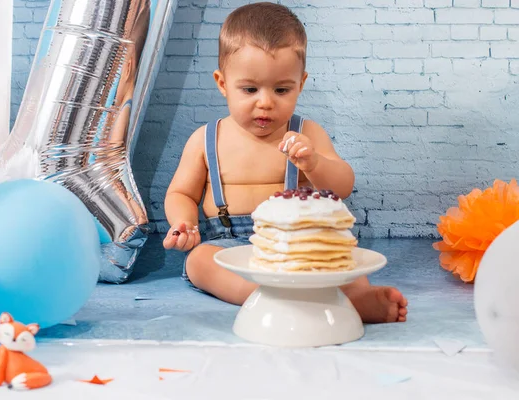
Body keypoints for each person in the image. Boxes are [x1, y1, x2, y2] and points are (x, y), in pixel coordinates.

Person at [163, 2, 407, 323]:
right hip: (230, 245)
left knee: (340, 257)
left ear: (300, 84)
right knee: (199, 262)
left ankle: (358, 298)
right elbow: (181, 193)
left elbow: (343, 185)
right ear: (223, 83)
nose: (265, 102)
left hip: (299, 240)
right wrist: (185, 224)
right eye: (249, 89)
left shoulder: (306, 133)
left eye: (281, 89)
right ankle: (266, 298)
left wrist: (313, 163)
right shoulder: (207, 139)